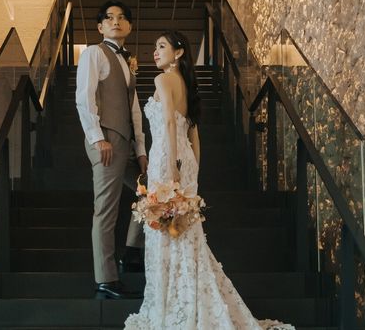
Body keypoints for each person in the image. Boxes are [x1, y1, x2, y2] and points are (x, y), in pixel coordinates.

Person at [124, 31, 294, 329]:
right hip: (186, 158)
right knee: (183, 229)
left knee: (165, 229)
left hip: (166, 156)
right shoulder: (187, 85)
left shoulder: (162, 80)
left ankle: (171, 302)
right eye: (155, 47)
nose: (155, 51)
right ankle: (186, 297)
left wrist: (172, 166)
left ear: (178, 52)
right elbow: (194, 134)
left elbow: (168, 122)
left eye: (162, 46)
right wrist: (193, 171)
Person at [76, 0, 148, 299]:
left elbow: (134, 109)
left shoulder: (127, 62)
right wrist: (97, 138)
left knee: (150, 191)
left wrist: (141, 149)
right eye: (109, 17)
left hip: (126, 143)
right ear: (100, 26)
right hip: (106, 140)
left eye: (121, 17)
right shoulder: (94, 53)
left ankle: (132, 251)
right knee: (105, 210)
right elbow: (84, 97)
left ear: (129, 26)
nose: (115, 21)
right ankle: (105, 281)